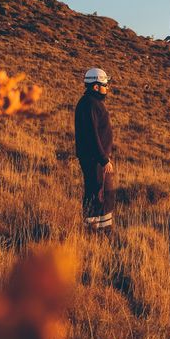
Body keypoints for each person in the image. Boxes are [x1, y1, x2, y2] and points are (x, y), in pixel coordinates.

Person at [74, 68, 115, 231]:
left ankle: (99, 229)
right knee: (97, 193)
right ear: (96, 86)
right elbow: (92, 134)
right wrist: (103, 159)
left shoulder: (90, 103)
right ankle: (96, 231)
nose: (107, 88)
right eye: (105, 84)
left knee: (99, 192)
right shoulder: (90, 104)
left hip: (95, 158)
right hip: (95, 159)